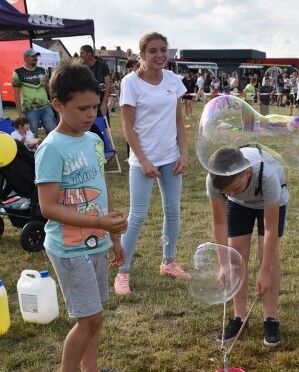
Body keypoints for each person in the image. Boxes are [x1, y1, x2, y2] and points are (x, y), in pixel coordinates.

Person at [35, 60, 128, 372]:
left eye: (95, 106)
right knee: (88, 318)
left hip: (97, 243)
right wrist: (100, 225)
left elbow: (102, 189)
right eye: (82, 108)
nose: (91, 114)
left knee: (96, 314)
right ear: (57, 104)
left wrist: (113, 235)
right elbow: (47, 208)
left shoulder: (92, 139)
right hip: (70, 248)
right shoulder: (52, 148)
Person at [114, 32, 189, 295]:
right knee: (138, 216)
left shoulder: (173, 80)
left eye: (163, 50)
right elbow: (127, 126)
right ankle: (123, 270)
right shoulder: (130, 83)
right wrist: (143, 160)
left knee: (173, 211)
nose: (159, 55)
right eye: (153, 51)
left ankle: (169, 262)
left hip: (171, 158)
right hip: (142, 160)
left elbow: (179, 121)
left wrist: (184, 153)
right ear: (142, 54)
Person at [206, 146, 288, 347]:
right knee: (236, 257)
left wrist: (265, 272)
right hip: (239, 206)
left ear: (248, 172)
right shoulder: (215, 180)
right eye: (226, 191)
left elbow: (270, 230)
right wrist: (223, 264)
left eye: (235, 188)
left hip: (269, 202)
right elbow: (219, 223)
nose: (231, 193)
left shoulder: (266, 176)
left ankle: (271, 318)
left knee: (268, 256)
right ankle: (239, 317)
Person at [13, 48, 56, 136]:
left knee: (52, 132)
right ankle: (33, 150)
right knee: (32, 135)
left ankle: (53, 149)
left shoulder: (42, 70)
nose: (35, 58)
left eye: (36, 56)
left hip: (45, 107)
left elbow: (48, 89)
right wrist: (20, 113)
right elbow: (16, 94)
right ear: (25, 58)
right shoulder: (18, 73)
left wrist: (48, 87)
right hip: (30, 109)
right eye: (32, 56)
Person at [79, 45, 112, 117]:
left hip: (100, 103)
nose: (80, 55)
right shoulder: (81, 68)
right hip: (86, 104)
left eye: (82, 53)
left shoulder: (102, 65)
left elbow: (108, 85)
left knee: (101, 127)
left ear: (89, 54)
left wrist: (104, 104)